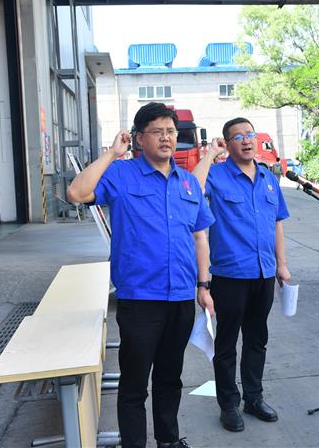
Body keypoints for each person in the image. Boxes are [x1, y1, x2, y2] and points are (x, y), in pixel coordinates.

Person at [66, 102, 214, 448]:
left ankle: (168, 440)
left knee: (170, 379)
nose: (166, 138)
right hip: (140, 299)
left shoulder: (188, 183)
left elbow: (200, 236)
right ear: (138, 138)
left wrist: (204, 285)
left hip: (181, 297)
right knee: (134, 385)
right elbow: (76, 193)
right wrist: (111, 154)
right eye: (157, 131)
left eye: (171, 131)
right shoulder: (121, 174)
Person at [192, 117, 291, 431]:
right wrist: (210, 154)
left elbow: (277, 222)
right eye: (238, 137)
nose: (246, 140)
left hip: (263, 272)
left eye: (250, 134)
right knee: (226, 343)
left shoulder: (268, 178)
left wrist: (281, 264)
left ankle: (254, 397)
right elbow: (191, 189)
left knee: (257, 339)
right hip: (230, 274)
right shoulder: (217, 175)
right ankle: (229, 405)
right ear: (227, 143)